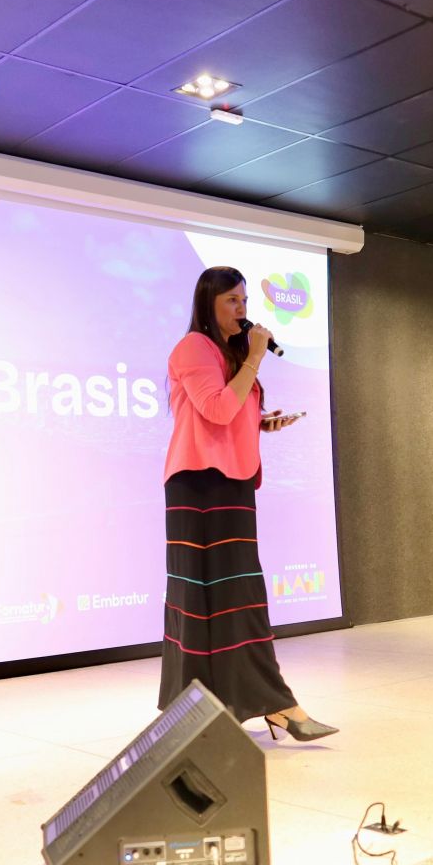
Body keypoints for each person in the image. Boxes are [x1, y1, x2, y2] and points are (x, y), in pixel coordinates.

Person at [158, 266, 338, 742]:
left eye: (244, 300)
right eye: (232, 301)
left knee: (238, 596)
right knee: (204, 600)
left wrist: (259, 423)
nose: (242, 310)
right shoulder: (194, 347)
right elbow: (216, 409)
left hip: (230, 482)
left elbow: (228, 412)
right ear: (209, 304)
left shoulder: (229, 353)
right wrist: (255, 357)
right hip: (199, 485)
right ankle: (208, 707)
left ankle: (268, 702)